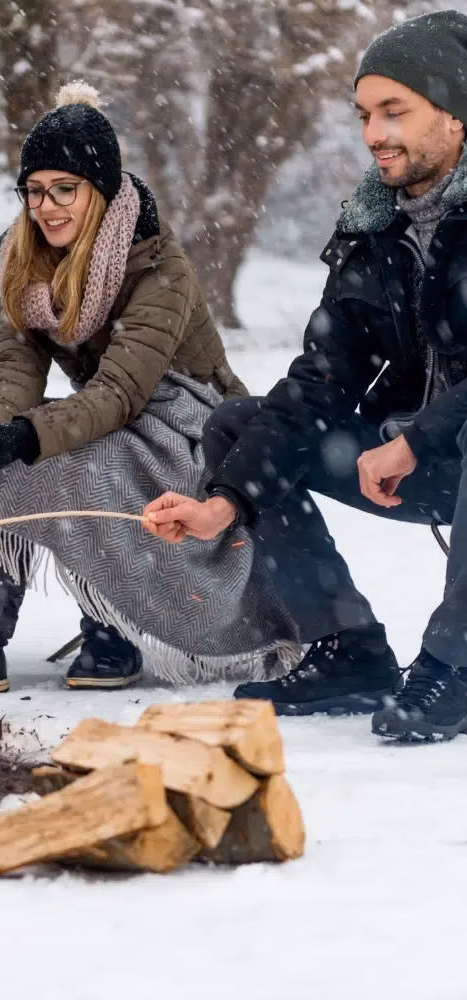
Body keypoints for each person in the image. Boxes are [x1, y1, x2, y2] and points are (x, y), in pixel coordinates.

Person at [144, 10, 467, 741]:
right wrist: (225, 501)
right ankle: (348, 646)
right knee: (237, 425)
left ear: (455, 112)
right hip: (418, 463)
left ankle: (455, 663)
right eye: (364, 114)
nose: (373, 133)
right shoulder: (372, 227)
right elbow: (320, 381)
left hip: (436, 447)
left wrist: (417, 438)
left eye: (395, 111)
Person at [0, 82, 257, 701]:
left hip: (193, 422)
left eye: (65, 190)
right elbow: (15, 362)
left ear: (99, 191)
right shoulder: (27, 264)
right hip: (114, 413)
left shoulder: (159, 267)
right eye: (34, 191)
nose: (47, 206)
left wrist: (31, 434)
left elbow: (121, 392)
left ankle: (116, 625)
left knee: (86, 461)